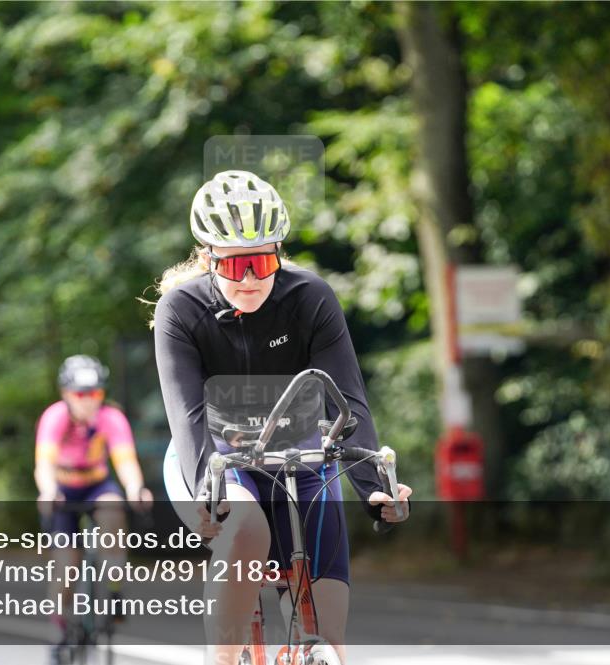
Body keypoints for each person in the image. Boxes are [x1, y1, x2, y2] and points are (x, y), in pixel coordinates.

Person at [152, 170, 412, 665]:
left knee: (331, 635)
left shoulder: (310, 297)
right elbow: (186, 421)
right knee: (247, 529)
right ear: (207, 258)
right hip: (216, 459)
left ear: (279, 252)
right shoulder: (179, 311)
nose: (250, 278)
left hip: (302, 456)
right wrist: (210, 498)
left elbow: (349, 402)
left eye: (263, 260)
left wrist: (374, 485)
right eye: (234, 266)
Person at [34, 354, 153, 641]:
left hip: (97, 485)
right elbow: (44, 464)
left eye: (95, 393)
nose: (88, 400)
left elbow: (125, 461)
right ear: (66, 394)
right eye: (80, 394)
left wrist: (135, 488)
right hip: (63, 490)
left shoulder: (111, 418)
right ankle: (59, 625)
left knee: (113, 509)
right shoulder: (55, 417)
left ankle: (114, 588)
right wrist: (48, 491)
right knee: (66, 566)